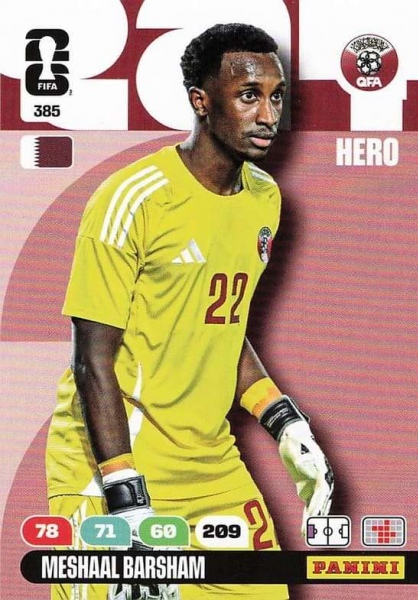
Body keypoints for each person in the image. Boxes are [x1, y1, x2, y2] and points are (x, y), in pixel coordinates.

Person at [46, 23, 334, 600]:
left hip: (209, 464)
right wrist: (126, 502)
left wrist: (284, 422)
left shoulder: (264, 200)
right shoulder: (132, 199)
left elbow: (219, 326)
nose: (268, 115)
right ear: (201, 102)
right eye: (248, 95)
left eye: (276, 96)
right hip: (114, 466)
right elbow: (92, 362)